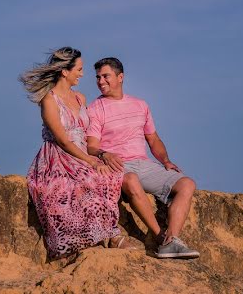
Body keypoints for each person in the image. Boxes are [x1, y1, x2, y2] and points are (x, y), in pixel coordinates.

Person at [21, 47, 138, 257]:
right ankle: (100, 237)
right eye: (79, 69)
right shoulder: (49, 100)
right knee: (77, 185)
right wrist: (91, 162)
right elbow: (63, 141)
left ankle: (109, 233)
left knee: (110, 177)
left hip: (83, 153)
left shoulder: (80, 98)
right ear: (65, 71)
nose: (82, 74)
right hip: (59, 156)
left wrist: (98, 156)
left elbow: (90, 132)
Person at [86, 57, 200, 259]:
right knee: (131, 180)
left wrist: (165, 161)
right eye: (97, 77)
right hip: (117, 165)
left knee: (187, 183)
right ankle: (160, 238)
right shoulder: (95, 108)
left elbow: (153, 138)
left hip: (144, 164)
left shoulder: (140, 105)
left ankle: (172, 240)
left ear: (120, 77)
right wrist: (104, 154)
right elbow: (92, 146)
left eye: (106, 76)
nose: (100, 81)